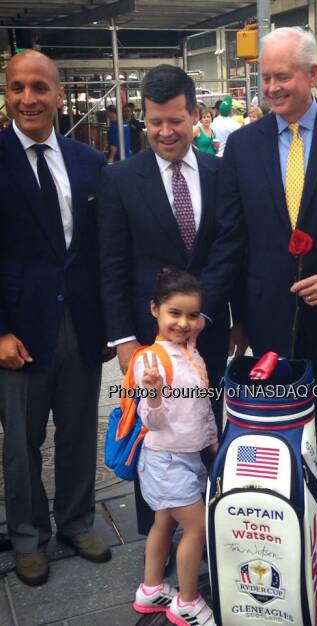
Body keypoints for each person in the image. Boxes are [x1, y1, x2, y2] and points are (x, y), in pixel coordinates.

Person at [203, 26, 317, 580]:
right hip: (268, 321)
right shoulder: (245, 144)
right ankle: (284, 526)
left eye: (283, 76)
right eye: (266, 78)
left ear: (311, 75)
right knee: (278, 434)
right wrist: (229, 317)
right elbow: (232, 239)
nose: (272, 88)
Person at [98, 64, 242, 536]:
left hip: (209, 333)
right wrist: (122, 339)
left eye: (175, 120)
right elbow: (113, 264)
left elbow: (229, 249)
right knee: (156, 431)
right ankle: (159, 535)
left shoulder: (222, 173)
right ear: (144, 117)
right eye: (154, 121)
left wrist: (208, 313)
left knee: (206, 422)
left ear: (194, 115)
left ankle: (208, 526)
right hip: (148, 338)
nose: (164, 131)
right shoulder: (120, 179)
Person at [0, 50, 111, 586]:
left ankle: (75, 521)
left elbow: (97, 253)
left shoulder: (87, 161)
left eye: (40, 87)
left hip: (81, 325)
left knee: (77, 431)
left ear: (59, 95)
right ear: (6, 92)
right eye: (18, 87)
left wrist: (113, 326)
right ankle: (26, 534)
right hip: (18, 331)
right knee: (21, 442)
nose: (28, 98)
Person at [132, 268, 216, 625]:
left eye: (192, 315)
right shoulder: (150, 360)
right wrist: (152, 394)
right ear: (155, 310)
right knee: (196, 528)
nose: (183, 323)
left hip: (185, 456)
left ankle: (150, 590)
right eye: (175, 313)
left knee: (163, 523)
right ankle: (187, 601)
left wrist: (214, 442)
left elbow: (201, 405)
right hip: (164, 460)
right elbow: (154, 422)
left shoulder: (190, 352)